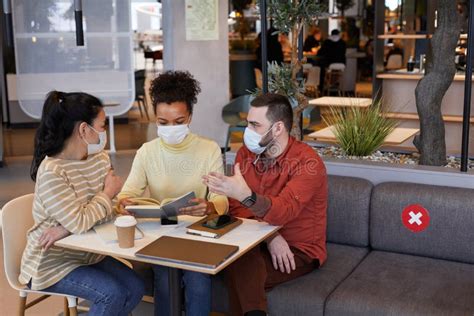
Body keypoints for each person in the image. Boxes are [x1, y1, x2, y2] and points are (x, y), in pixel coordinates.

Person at [19, 91, 145, 316]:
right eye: (103, 125)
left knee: (136, 287)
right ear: (84, 129)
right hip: (52, 264)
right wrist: (105, 197)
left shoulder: (100, 159)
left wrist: (112, 206)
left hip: (88, 254)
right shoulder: (52, 172)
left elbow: (97, 215)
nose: (105, 132)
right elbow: (82, 220)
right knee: (112, 294)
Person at [203, 93, 327, 316]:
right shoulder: (246, 154)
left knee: (236, 266)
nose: (246, 131)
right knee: (237, 257)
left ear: (278, 128)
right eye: (247, 123)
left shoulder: (308, 163)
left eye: (254, 125)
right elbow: (238, 209)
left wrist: (246, 195)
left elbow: (284, 210)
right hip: (257, 242)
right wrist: (270, 237)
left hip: (297, 249)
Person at [117, 70, 229, 316]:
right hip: (161, 234)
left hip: (198, 234)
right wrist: (124, 203)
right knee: (165, 281)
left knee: (199, 282)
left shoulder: (209, 149)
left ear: (190, 116)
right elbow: (126, 194)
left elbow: (220, 198)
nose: (170, 128)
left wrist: (209, 207)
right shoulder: (147, 152)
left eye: (178, 122)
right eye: (162, 122)